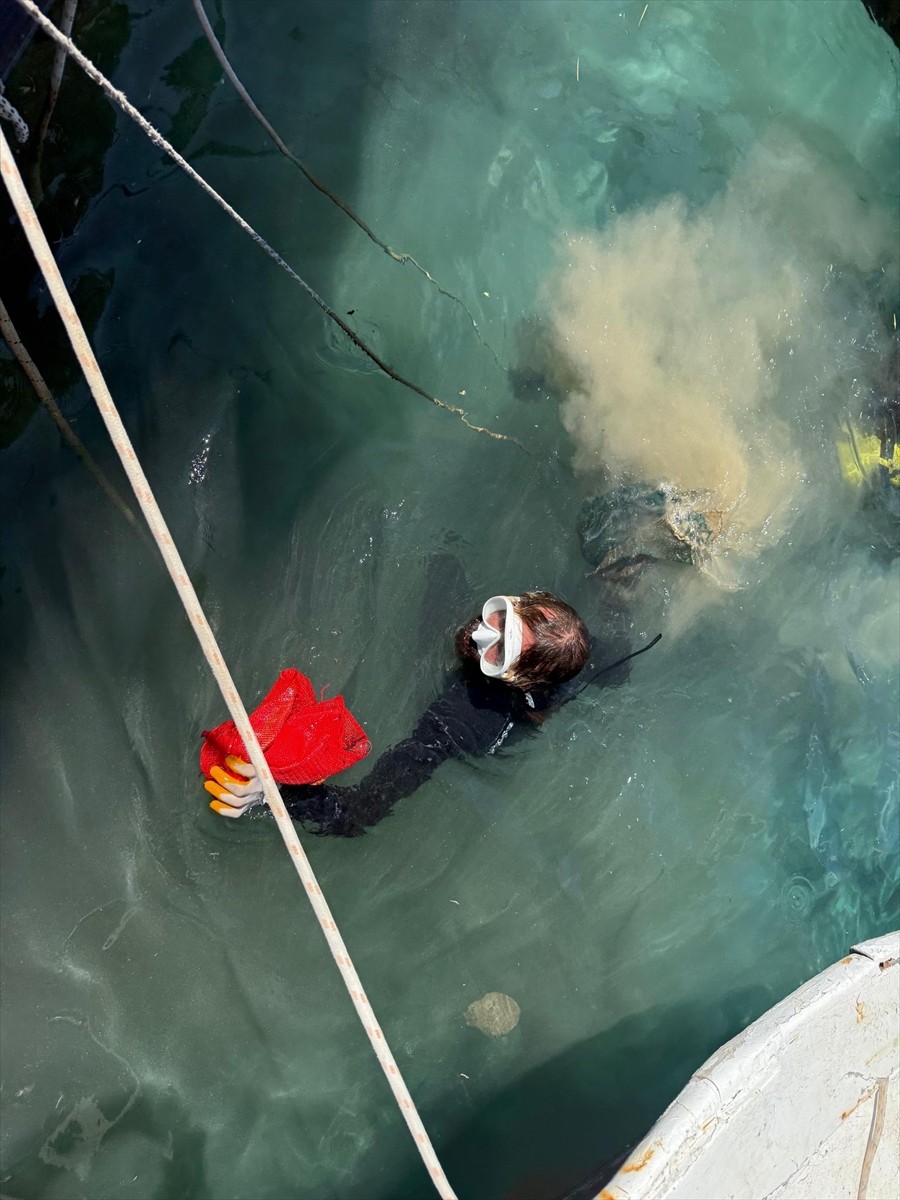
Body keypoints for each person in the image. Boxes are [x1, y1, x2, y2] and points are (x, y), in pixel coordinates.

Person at [204, 588, 651, 837]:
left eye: (499, 651)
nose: (479, 635)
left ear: (512, 677)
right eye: (498, 617)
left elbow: (363, 811)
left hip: (502, 716)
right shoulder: (567, 639)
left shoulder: (465, 717)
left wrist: (277, 796)